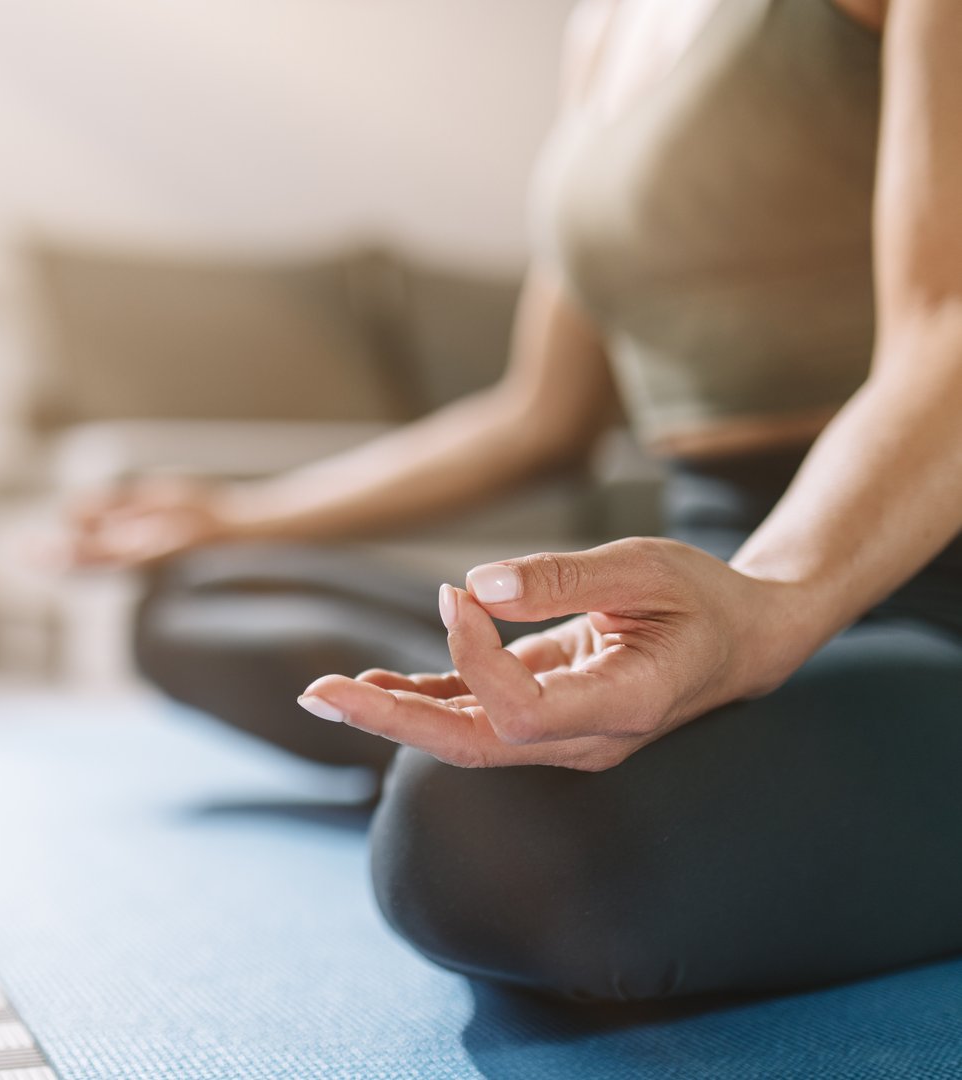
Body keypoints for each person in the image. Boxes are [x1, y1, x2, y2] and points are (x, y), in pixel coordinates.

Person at [64, 0, 962, 1002]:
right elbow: (539, 415)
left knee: (474, 837)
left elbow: (950, 329)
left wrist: (768, 601)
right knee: (200, 596)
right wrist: (237, 515)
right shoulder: (605, 28)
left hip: (918, 585)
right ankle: (622, 740)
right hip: (710, 579)